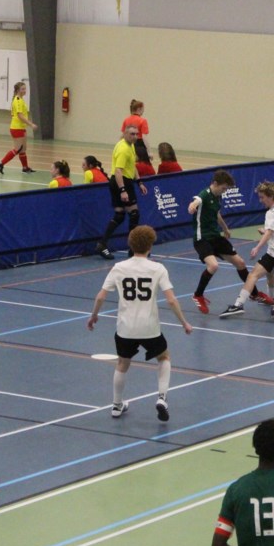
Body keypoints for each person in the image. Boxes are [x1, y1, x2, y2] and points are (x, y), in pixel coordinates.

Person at [87, 225, 193, 420]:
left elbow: (101, 296)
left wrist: (94, 316)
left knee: (122, 363)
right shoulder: (157, 268)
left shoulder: (119, 268)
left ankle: (117, 405)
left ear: (131, 244)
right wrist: (184, 322)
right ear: (150, 245)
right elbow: (171, 300)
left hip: (125, 328)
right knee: (164, 357)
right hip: (149, 328)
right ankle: (161, 397)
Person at [188, 169, 272, 314]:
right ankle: (198, 295)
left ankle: (254, 294)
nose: (224, 191)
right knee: (213, 265)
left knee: (240, 263)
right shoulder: (205, 195)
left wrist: (225, 228)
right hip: (202, 238)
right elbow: (197, 201)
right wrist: (192, 206)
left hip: (215, 236)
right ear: (215, 183)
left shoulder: (217, 197)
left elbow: (216, 213)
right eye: (223, 188)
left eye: (226, 189)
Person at [221, 181, 274, 318]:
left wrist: (257, 247)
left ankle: (238, 305)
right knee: (270, 273)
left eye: (262, 197)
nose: (261, 201)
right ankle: (273, 300)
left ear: (271, 196)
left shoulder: (271, 212)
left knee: (252, 275)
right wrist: (265, 231)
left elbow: (270, 232)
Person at [95, 124, 148, 260]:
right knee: (134, 214)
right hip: (121, 181)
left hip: (122, 181)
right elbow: (119, 170)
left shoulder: (129, 145)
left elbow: (132, 166)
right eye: (132, 134)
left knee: (120, 215)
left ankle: (102, 244)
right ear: (125, 134)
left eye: (136, 134)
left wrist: (139, 182)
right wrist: (123, 190)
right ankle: (133, 249)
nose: (135, 136)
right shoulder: (123, 149)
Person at [0, 81, 37, 174]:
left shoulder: (21, 100)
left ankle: (25, 167)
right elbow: (20, 115)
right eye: (22, 89)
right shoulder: (17, 100)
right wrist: (31, 124)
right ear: (18, 90)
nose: (25, 90)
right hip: (16, 127)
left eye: (25, 88)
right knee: (17, 149)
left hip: (21, 127)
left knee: (23, 149)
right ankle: (1, 163)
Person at [121, 99, 153, 174]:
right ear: (139, 109)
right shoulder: (142, 121)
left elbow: (123, 135)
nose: (143, 111)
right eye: (143, 109)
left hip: (128, 144)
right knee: (146, 168)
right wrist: (149, 151)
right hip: (139, 146)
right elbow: (144, 137)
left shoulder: (126, 120)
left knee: (131, 167)